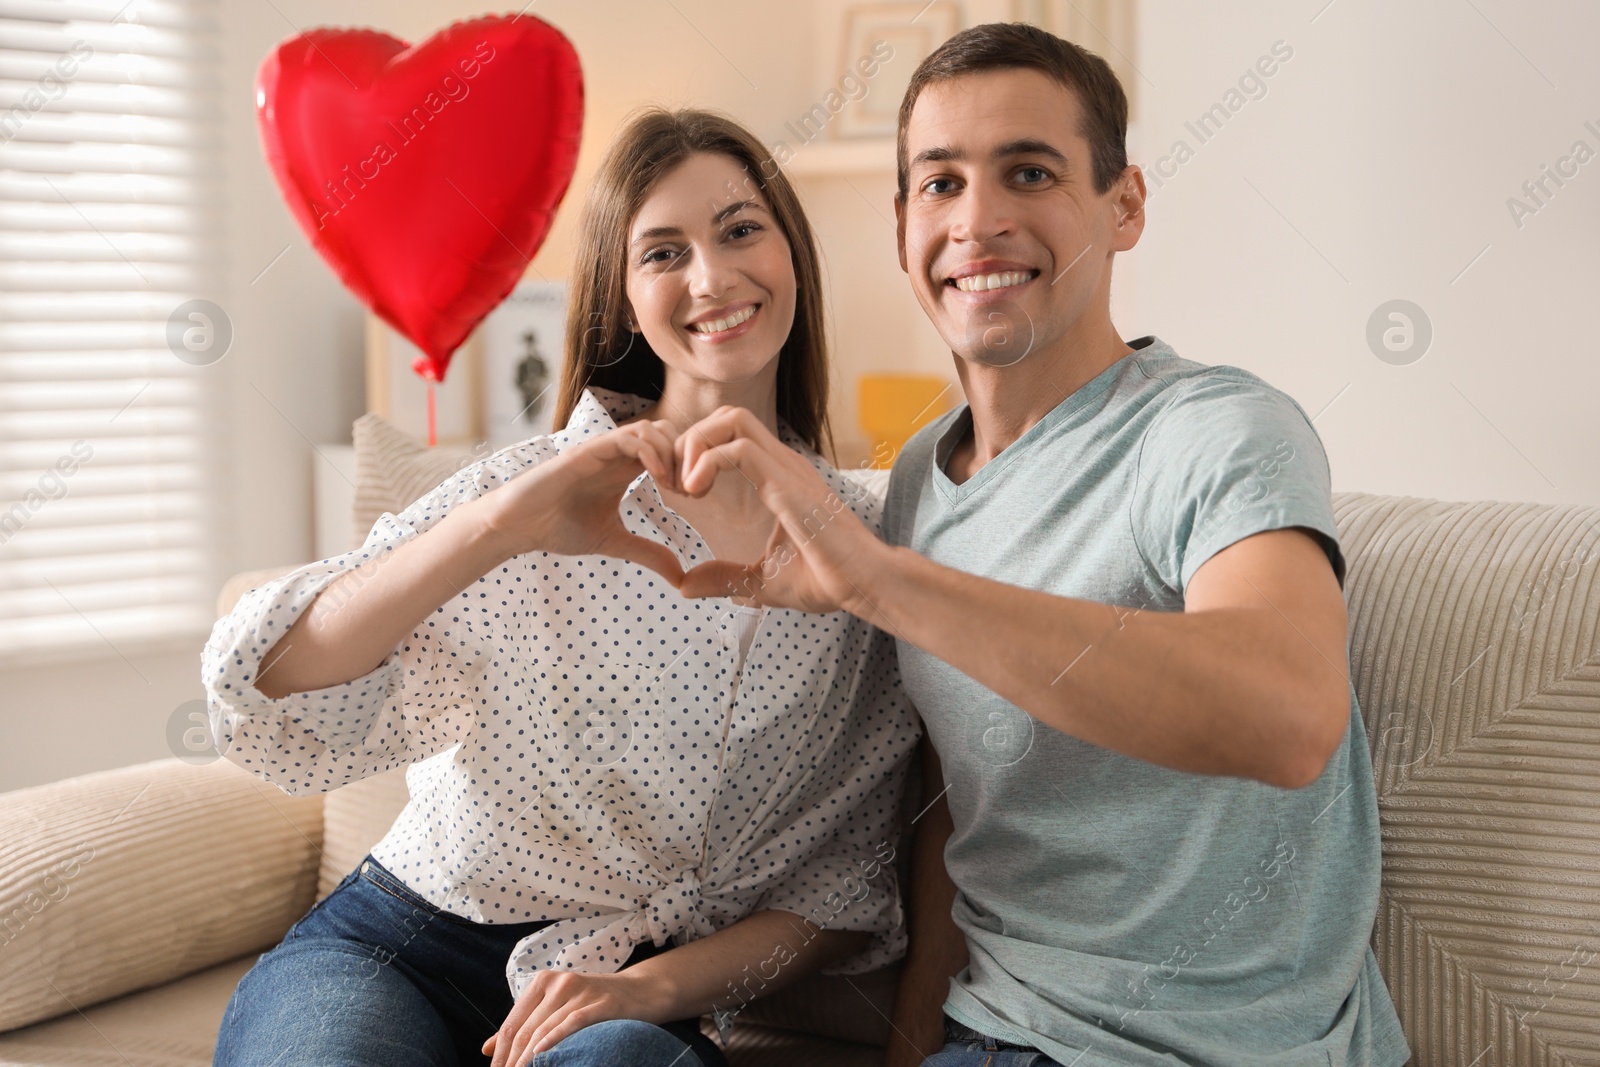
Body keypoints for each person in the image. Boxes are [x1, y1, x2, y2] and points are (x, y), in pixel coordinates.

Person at [667, 22, 1411, 1067]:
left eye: (1029, 172)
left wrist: (884, 580)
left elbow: (1287, 715)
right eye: (939, 183)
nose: (978, 221)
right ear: (900, 225)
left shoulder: (1215, 429)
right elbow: (957, 794)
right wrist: (912, 1037)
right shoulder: (923, 474)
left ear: (1124, 206)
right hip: (998, 1033)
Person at [202, 108, 919, 1067]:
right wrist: (502, 527)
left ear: (793, 256)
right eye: (664, 252)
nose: (712, 277)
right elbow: (264, 683)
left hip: (625, 998)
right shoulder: (539, 486)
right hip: (401, 944)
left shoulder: (866, 546)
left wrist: (649, 987)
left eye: (741, 229)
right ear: (623, 299)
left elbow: (844, 884)